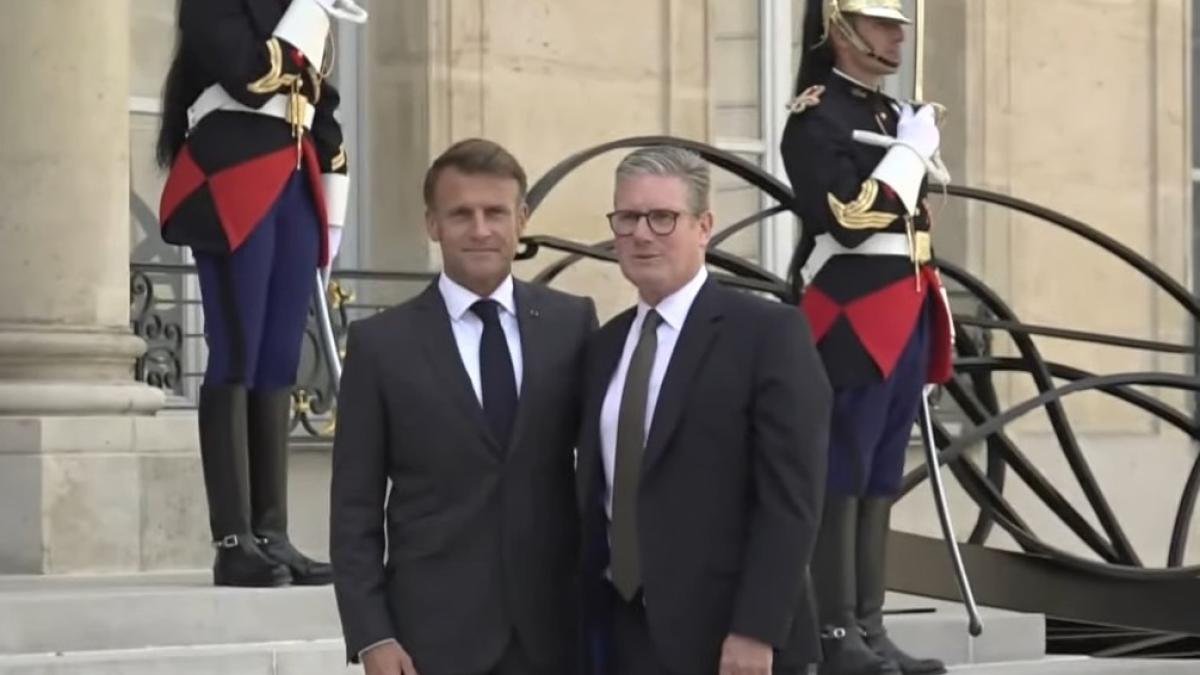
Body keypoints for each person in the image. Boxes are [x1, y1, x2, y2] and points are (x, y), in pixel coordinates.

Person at [330, 138, 598, 675]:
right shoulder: (381, 346)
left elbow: (601, 473)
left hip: (554, 634)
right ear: (433, 224)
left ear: (521, 220)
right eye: (461, 214)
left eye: (495, 213)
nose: (480, 230)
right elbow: (354, 508)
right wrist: (371, 634)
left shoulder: (572, 324)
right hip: (432, 639)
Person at [577, 146, 832, 675]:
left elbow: (791, 500)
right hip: (622, 632)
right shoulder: (605, 346)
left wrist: (756, 630)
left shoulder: (768, 333)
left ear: (704, 227)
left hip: (730, 642)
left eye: (662, 217)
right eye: (627, 218)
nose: (642, 234)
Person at [156, 0, 362, 587]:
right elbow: (250, 77)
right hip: (234, 173)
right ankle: (233, 541)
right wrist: (309, 15)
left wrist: (333, 186)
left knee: (279, 358)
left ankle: (272, 534)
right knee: (238, 352)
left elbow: (320, 102)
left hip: (295, 177)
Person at [780, 2, 955, 674]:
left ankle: (870, 628)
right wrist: (910, 153)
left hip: (906, 302)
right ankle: (834, 631)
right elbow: (849, 220)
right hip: (853, 309)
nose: (898, 33)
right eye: (880, 22)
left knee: (882, 468)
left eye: (898, 21)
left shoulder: (888, 113)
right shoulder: (816, 116)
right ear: (841, 28)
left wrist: (910, 143)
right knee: (844, 464)